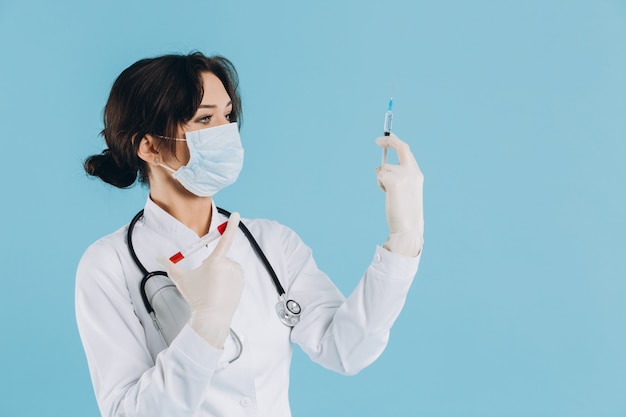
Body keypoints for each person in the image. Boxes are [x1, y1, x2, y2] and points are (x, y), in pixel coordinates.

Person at [75, 51, 424, 417]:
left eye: (228, 116)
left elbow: (346, 350)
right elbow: (125, 412)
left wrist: (404, 238)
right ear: (149, 146)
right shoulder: (108, 266)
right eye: (204, 118)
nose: (224, 132)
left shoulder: (273, 244)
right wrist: (204, 328)